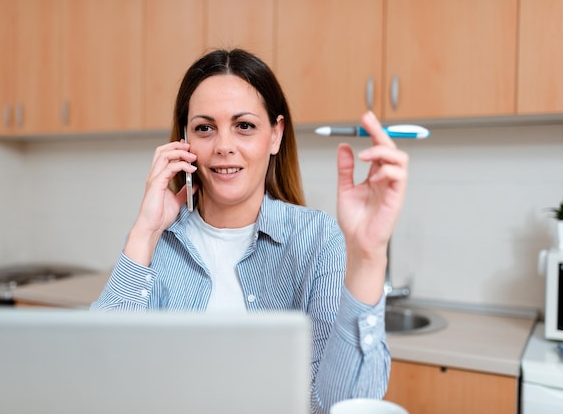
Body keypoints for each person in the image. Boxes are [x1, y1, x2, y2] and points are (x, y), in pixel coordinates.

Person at [91, 48, 408, 413]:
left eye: (244, 126)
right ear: (184, 141)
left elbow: (340, 405)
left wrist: (368, 258)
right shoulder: (156, 241)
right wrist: (144, 231)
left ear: (275, 135)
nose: (224, 146)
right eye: (204, 128)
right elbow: (101, 377)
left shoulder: (318, 239)